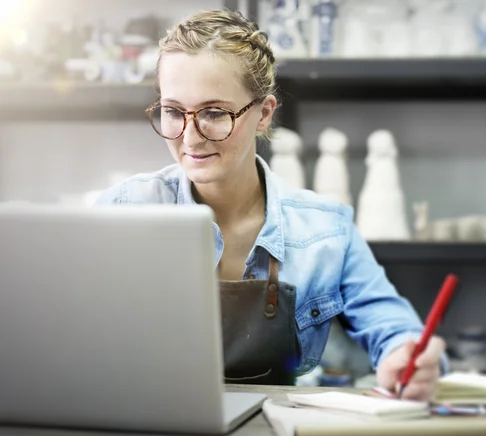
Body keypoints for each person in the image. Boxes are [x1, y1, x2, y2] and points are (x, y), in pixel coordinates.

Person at [96, 9, 447, 400]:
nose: (190, 138)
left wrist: (408, 355)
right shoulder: (120, 211)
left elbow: (393, 325)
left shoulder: (326, 230)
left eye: (214, 113)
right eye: (174, 111)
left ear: (264, 114)